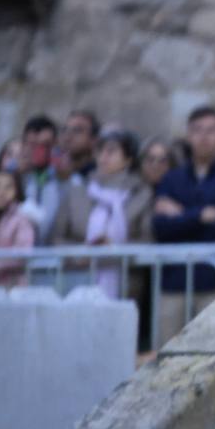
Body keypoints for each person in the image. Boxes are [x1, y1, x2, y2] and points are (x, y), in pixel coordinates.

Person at [152, 107, 215, 344]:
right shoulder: (171, 179)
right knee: (165, 356)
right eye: (197, 130)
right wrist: (200, 215)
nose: (204, 137)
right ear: (188, 135)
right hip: (173, 283)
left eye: (211, 130)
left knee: (213, 353)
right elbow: (160, 228)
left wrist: (181, 214)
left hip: (214, 283)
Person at [52, 129, 153, 297]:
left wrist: (114, 249)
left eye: (111, 150)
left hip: (125, 283)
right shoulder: (77, 190)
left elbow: (147, 239)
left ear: (128, 159)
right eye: (100, 150)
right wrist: (81, 253)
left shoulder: (141, 194)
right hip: (78, 278)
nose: (104, 156)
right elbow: (57, 237)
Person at [19, 115, 64, 240]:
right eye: (33, 144)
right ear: (24, 145)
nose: (40, 150)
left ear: (56, 144)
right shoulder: (11, 178)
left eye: (46, 145)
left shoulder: (67, 181)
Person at [60, 110, 100, 181]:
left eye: (77, 131)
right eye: (64, 130)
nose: (67, 137)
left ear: (94, 139)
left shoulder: (99, 181)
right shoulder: (53, 175)